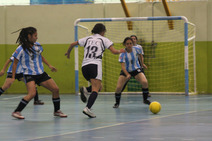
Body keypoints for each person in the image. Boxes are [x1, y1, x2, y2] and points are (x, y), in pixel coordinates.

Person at [65, 23, 125, 118]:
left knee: (99, 86)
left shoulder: (87, 38)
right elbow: (113, 51)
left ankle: (85, 90)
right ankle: (87, 108)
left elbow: (72, 44)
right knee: (96, 89)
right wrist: (120, 51)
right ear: (102, 31)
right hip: (95, 65)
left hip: (84, 66)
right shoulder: (104, 39)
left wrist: (68, 53)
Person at [11, 27, 67, 119]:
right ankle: (17, 111)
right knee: (32, 94)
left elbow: (40, 56)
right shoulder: (20, 49)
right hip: (29, 74)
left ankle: (57, 111)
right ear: (29, 36)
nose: (37, 37)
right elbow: (15, 63)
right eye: (35, 36)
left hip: (41, 74)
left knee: (55, 89)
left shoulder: (37, 46)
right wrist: (13, 77)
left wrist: (49, 65)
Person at [113, 37, 151, 109]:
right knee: (118, 88)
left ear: (132, 44)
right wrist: (127, 75)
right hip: (126, 71)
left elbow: (140, 56)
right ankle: (117, 103)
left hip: (136, 69)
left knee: (145, 82)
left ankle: (145, 99)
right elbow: (123, 67)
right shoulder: (122, 53)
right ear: (125, 44)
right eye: (127, 44)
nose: (129, 45)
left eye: (130, 43)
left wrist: (142, 64)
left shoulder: (137, 49)